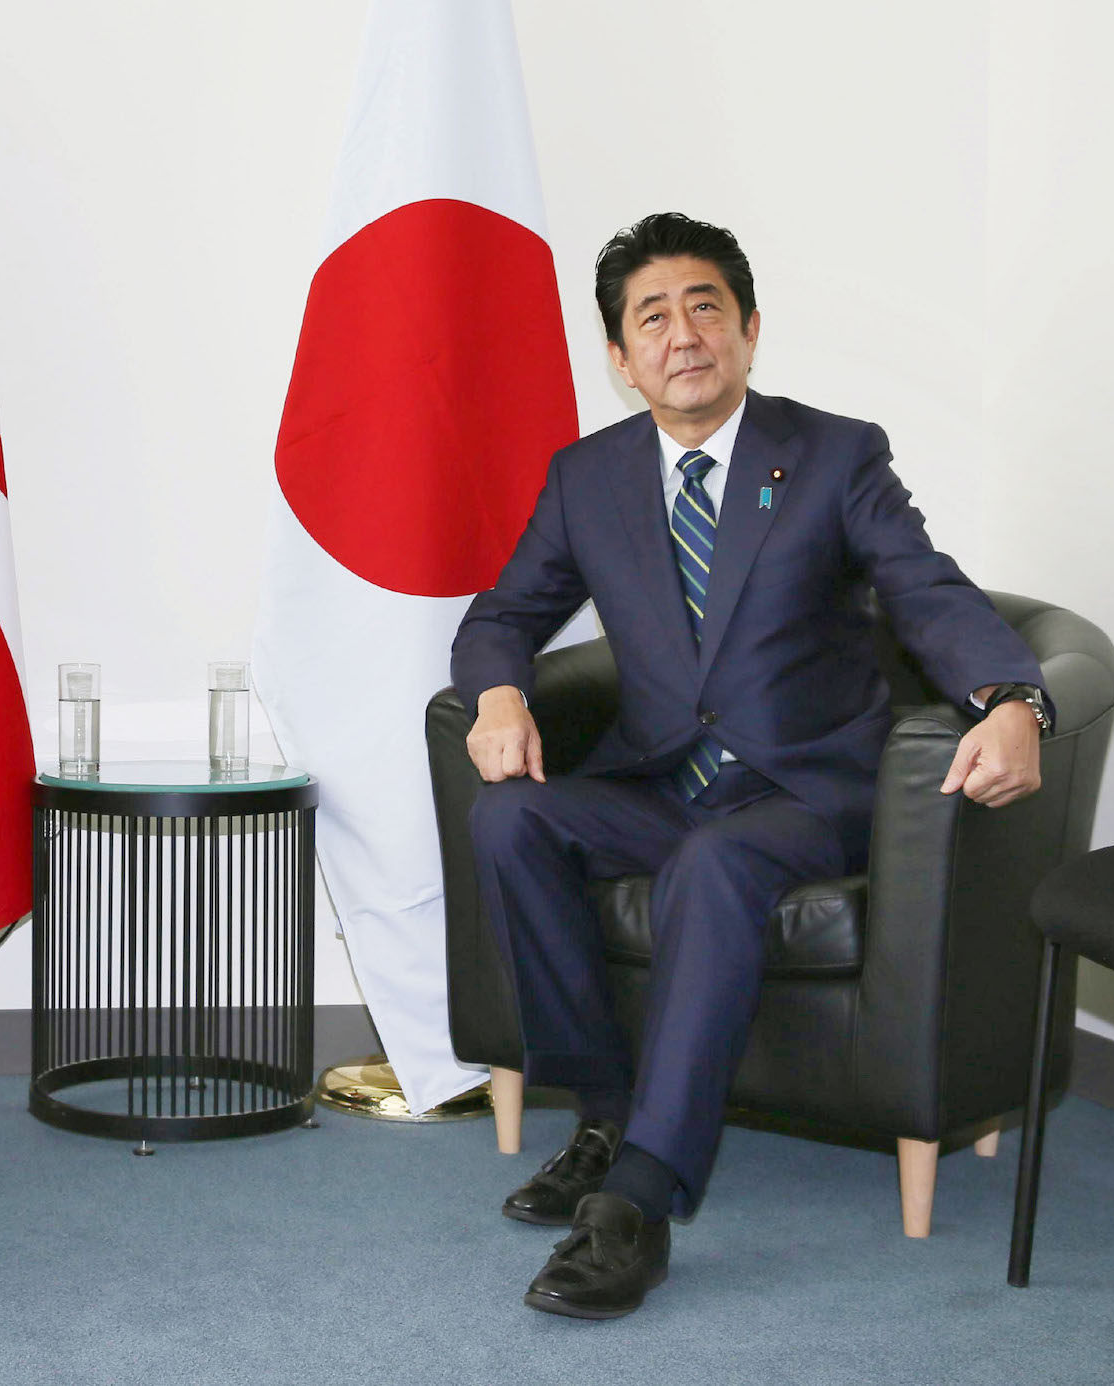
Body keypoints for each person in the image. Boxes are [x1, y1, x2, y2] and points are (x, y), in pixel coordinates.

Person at [450, 213, 1052, 1320]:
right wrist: (497, 691)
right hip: (659, 785)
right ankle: (603, 1112)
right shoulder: (586, 476)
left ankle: (633, 1203)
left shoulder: (831, 453)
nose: (681, 334)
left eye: (703, 307)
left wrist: (1010, 698)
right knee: (509, 820)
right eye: (651, 318)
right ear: (619, 358)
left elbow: (924, 590)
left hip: (805, 790)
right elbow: (503, 613)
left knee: (718, 864)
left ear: (747, 328)